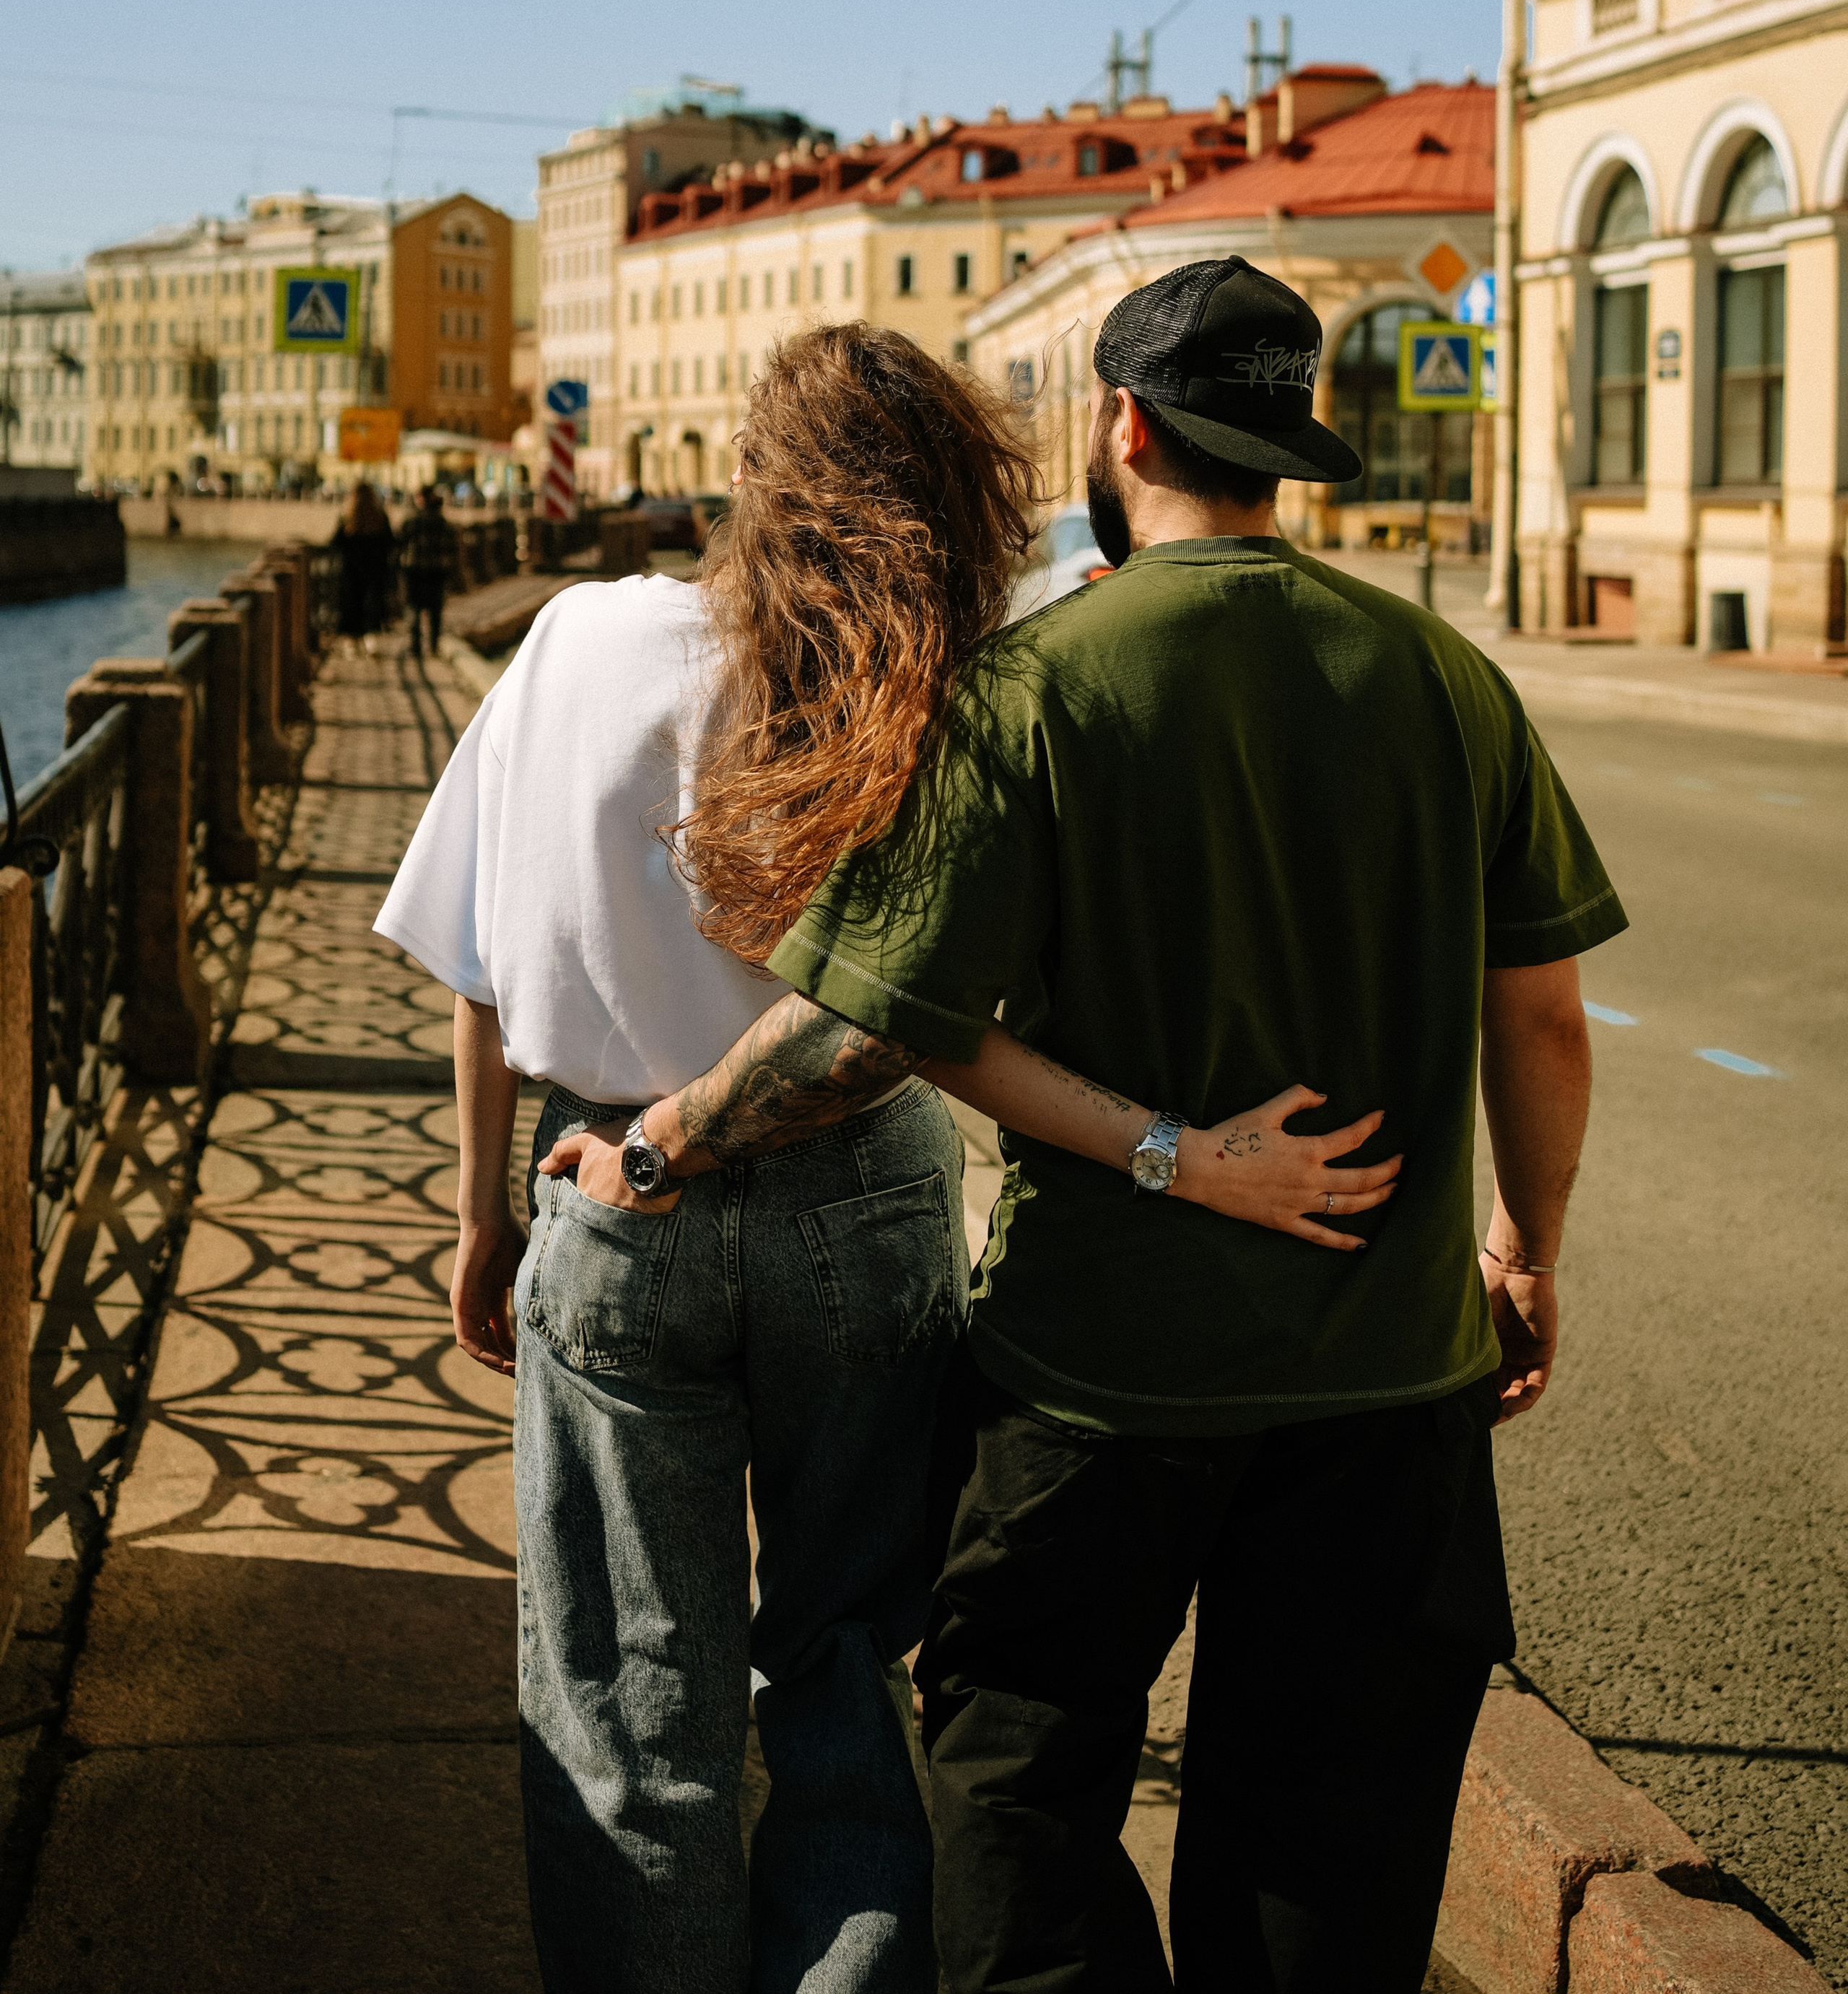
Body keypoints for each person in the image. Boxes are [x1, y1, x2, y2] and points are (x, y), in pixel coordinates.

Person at [619, 258, 1626, 1993]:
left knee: (1010, 1802)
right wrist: (1520, 1254)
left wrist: (662, 1143)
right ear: (1285, 448)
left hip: (1095, 1390)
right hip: (1387, 1391)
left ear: (1122, 422)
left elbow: (872, 1029)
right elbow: (1537, 1013)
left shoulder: (1027, 692)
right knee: (1328, 1859)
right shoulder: (1441, 676)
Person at [374, 321, 1399, 1994]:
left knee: (627, 1693)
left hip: (606, 1189)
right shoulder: (950, 663)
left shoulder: (574, 638)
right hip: (866, 1186)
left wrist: (478, 1210)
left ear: (747, 476)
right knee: (849, 1651)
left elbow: (484, 965)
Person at [329, 480, 394, 652]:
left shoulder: (347, 518)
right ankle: (371, 642)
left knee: (352, 605)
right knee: (372, 604)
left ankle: (352, 645)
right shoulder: (380, 516)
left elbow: (335, 543)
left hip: (351, 571)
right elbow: (390, 542)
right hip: (375, 570)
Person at [398, 481, 457, 656]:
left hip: (413, 569)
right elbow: (451, 548)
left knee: (413, 606)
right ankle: (433, 646)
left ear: (420, 498)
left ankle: (415, 646)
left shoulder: (411, 521)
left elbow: (399, 543)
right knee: (435, 609)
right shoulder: (442, 522)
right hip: (437, 570)